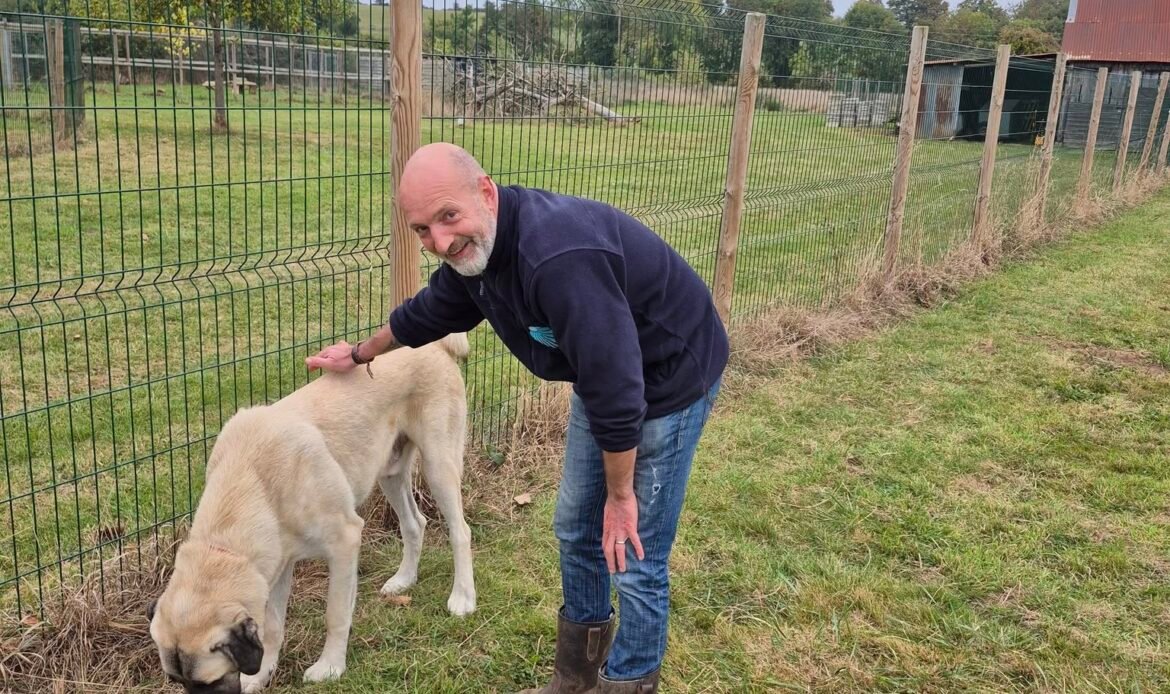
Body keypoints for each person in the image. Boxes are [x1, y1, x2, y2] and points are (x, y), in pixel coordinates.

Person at [305, 143, 728, 693]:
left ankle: (629, 683)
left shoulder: (557, 258)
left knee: (634, 548)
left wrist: (621, 496)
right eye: (421, 230)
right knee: (577, 526)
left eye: (448, 216)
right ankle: (575, 680)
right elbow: (427, 314)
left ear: (486, 192)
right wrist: (360, 354)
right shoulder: (473, 257)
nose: (439, 241)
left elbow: (619, 394)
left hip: (670, 373)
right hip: (603, 374)